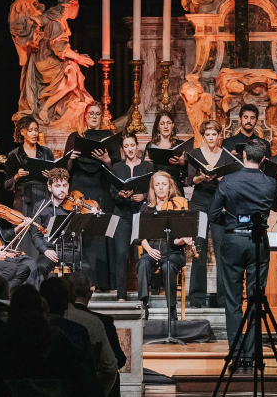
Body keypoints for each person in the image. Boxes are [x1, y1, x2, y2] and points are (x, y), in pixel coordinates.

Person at [209, 141, 277, 366]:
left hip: (233, 240)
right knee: (254, 300)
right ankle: (250, 354)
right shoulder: (270, 182)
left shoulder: (229, 180)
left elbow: (212, 214)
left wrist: (230, 220)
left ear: (243, 155)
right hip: (258, 242)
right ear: (262, 159)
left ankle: (235, 353)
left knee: (232, 300)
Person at [65, 103, 115, 290]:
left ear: (102, 116)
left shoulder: (108, 136)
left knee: (100, 233)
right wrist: (72, 158)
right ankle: (82, 282)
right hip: (79, 187)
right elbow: (66, 168)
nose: (94, 116)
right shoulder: (75, 136)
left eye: (97, 114)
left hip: (100, 187)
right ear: (85, 116)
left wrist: (106, 160)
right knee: (82, 234)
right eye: (91, 113)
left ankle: (103, 282)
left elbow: (114, 168)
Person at [188, 120, 236, 308]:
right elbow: (191, 179)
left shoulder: (225, 155)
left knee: (220, 248)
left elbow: (231, 179)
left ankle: (223, 298)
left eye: (214, 135)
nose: (210, 138)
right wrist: (201, 178)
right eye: (207, 135)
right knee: (199, 248)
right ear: (203, 135)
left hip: (219, 201)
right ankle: (197, 298)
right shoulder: (195, 154)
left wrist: (223, 178)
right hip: (199, 200)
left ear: (219, 136)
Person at [136, 171, 192, 319]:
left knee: (168, 267)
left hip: (173, 253)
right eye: (157, 185)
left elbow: (176, 241)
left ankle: (172, 311)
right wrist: (148, 250)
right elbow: (139, 236)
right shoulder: (146, 208)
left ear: (169, 186)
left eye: (164, 184)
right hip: (152, 250)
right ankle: (143, 306)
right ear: (153, 188)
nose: (161, 188)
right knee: (143, 263)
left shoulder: (179, 204)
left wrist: (183, 240)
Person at [31, 168, 92, 289]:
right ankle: (42, 301)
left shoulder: (75, 207)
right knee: (40, 267)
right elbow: (35, 235)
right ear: (49, 187)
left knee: (86, 268)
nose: (62, 189)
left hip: (69, 250)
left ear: (68, 186)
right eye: (57, 186)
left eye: (64, 185)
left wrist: (92, 212)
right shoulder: (40, 206)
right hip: (49, 250)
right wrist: (45, 250)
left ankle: (80, 302)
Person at [110, 134, 153, 301]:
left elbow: (153, 188)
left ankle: (144, 296)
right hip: (121, 214)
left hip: (141, 214)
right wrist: (121, 194)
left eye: (132, 145)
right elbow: (112, 190)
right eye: (126, 146)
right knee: (121, 254)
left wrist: (143, 196)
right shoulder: (117, 167)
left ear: (137, 146)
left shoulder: (147, 167)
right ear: (123, 149)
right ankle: (122, 295)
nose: (130, 148)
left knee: (141, 255)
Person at [4, 115, 54, 256]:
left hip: (43, 196)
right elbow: (7, 185)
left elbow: (55, 176)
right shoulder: (14, 155)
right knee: (25, 233)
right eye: (30, 130)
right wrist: (16, 176)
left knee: (43, 231)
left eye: (36, 130)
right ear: (22, 132)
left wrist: (49, 176)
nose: (34, 133)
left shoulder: (46, 152)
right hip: (24, 199)